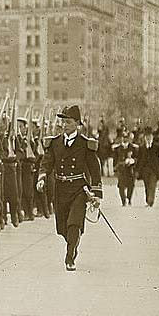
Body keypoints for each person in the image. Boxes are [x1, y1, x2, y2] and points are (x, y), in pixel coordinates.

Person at [37, 105, 102, 271]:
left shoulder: (85, 144)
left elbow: (95, 169)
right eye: (63, 122)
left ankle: (70, 255)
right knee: (63, 228)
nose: (64, 125)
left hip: (79, 189)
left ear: (77, 124)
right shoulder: (54, 143)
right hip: (60, 189)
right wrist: (42, 177)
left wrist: (96, 193)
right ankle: (73, 243)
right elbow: (46, 163)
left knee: (74, 223)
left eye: (68, 122)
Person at [135, 127, 159, 207]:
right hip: (145, 170)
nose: (148, 137)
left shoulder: (157, 146)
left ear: (152, 136)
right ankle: (148, 200)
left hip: (154, 170)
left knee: (152, 185)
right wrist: (137, 170)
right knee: (147, 186)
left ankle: (150, 201)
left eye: (149, 136)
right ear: (145, 137)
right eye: (147, 136)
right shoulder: (142, 147)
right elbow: (139, 159)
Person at [112, 131, 137, 206]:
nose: (125, 139)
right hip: (121, 170)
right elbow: (115, 159)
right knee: (121, 186)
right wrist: (115, 168)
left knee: (131, 185)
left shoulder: (133, 148)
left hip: (130, 170)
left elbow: (136, 158)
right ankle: (123, 201)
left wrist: (132, 161)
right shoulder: (118, 148)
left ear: (129, 138)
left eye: (126, 137)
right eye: (123, 137)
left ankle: (129, 198)